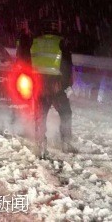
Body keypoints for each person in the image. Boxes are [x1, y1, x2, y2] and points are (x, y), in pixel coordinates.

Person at [28, 19, 78, 157]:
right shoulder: (61, 42)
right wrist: (66, 85)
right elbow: (67, 65)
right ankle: (66, 143)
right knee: (65, 113)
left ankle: (40, 143)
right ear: (56, 29)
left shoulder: (35, 42)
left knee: (40, 114)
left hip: (39, 84)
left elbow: (28, 62)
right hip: (56, 85)